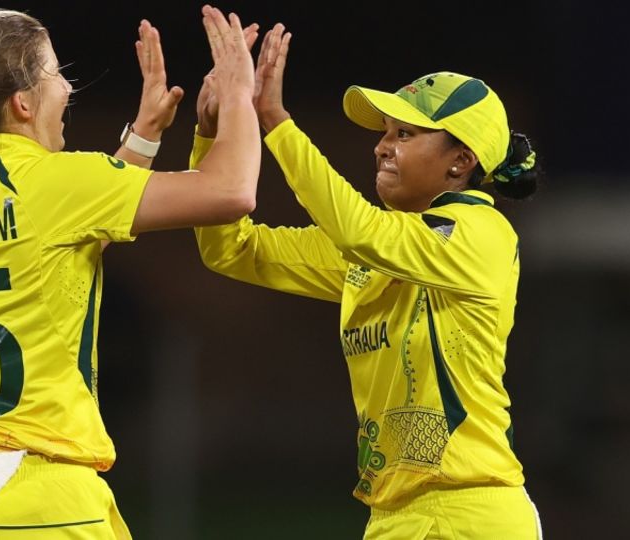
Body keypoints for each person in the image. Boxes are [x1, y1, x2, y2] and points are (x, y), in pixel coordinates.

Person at [0, 6, 259, 539]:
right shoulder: (52, 185)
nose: (67, 87)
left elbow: (64, 231)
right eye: (54, 73)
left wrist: (141, 138)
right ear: (22, 103)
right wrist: (236, 93)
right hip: (39, 499)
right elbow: (232, 191)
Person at [193, 24, 543, 539]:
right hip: (392, 515)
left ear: (460, 163)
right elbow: (231, 250)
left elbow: (359, 230)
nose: (382, 148)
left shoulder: (481, 233)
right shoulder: (381, 246)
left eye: (405, 134)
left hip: (471, 511)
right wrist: (213, 134)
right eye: (384, 133)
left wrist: (275, 120)